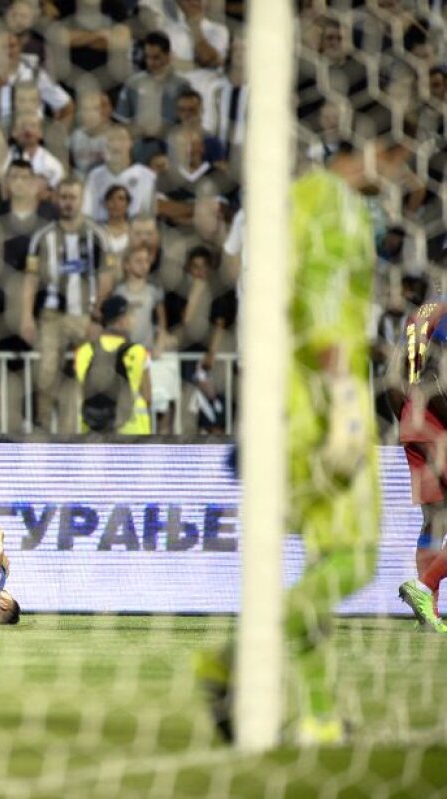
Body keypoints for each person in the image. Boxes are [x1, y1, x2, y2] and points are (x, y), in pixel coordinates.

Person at [197, 134, 410, 746]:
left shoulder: (295, 203)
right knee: (356, 560)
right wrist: (346, 398)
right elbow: (320, 306)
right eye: (394, 155)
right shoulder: (332, 204)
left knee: (321, 565)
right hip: (322, 403)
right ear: (369, 151)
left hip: (285, 405)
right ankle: (235, 658)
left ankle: (319, 717)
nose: (397, 172)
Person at [22, 176, 115, 432]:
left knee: (83, 375)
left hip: (86, 315)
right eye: (63, 197)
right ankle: (42, 426)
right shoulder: (43, 237)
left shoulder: (97, 235)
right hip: (52, 316)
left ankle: (75, 431)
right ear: (56, 199)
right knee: (46, 373)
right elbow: (30, 279)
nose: (68, 203)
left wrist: (98, 317)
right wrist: (26, 316)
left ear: (82, 200)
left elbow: (107, 278)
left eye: (73, 197)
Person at [391, 269, 447, 633]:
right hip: (440, 420)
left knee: (435, 519)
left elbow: (394, 375)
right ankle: (425, 586)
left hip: (413, 420)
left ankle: (430, 613)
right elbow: (442, 374)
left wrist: (407, 419)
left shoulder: (419, 315)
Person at [74, 295, 152, 434]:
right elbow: (147, 396)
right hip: (131, 429)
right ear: (122, 321)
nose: (135, 320)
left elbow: (81, 390)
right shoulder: (138, 352)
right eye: (131, 315)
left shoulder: (84, 351)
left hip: (94, 429)